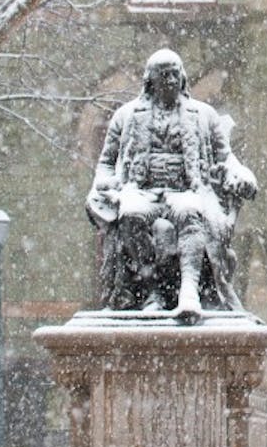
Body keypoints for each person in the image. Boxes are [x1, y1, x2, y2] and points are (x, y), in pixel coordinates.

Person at [86, 49, 257, 322]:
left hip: (186, 190)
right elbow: (106, 162)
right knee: (130, 217)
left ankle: (189, 291)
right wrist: (103, 185)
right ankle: (151, 289)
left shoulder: (204, 114)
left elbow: (227, 158)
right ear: (150, 79)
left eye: (175, 74)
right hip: (142, 191)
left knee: (192, 214)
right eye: (164, 74)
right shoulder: (126, 115)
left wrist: (242, 175)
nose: (171, 80)